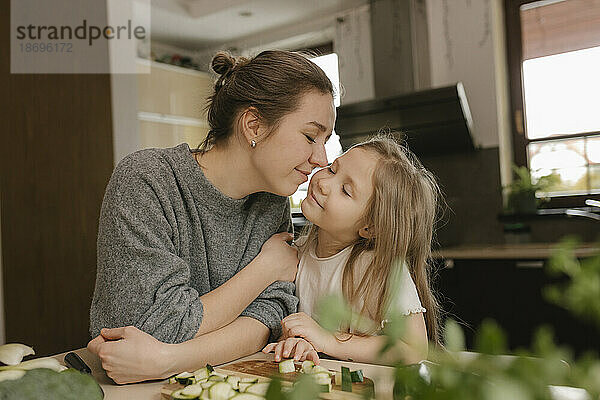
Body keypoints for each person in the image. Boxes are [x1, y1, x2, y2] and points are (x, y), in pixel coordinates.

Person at [87, 50, 336, 384]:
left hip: (216, 382)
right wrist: (265, 269)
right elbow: (151, 327)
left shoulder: (272, 203)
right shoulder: (147, 180)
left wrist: (168, 359)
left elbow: (270, 317)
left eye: (325, 141)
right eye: (310, 136)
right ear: (254, 125)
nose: (321, 158)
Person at [262, 135, 441, 365]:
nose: (323, 183)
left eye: (346, 190)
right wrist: (298, 342)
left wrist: (330, 341)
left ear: (370, 227)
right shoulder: (297, 254)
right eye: (332, 169)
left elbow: (414, 349)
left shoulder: (379, 269)